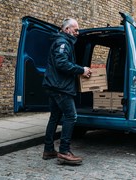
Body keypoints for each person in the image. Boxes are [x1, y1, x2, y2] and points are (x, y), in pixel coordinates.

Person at [42, 18, 91, 165]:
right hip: (60, 88)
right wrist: (81, 70)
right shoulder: (62, 43)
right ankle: (64, 151)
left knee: (55, 117)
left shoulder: (63, 41)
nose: (77, 33)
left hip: (54, 86)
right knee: (71, 116)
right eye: (75, 30)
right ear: (67, 29)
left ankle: (49, 149)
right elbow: (61, 63)